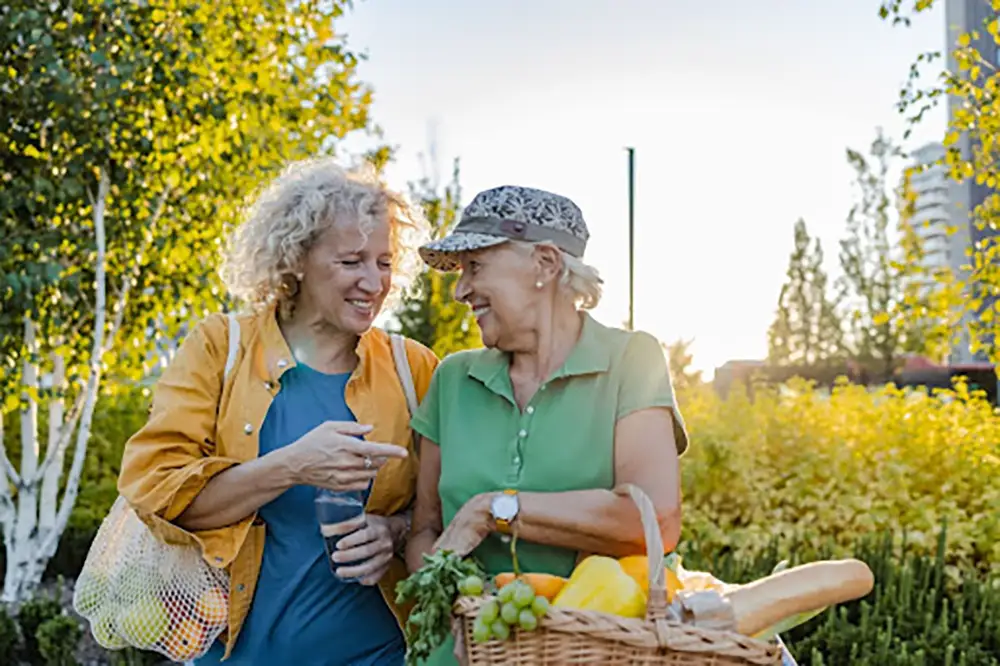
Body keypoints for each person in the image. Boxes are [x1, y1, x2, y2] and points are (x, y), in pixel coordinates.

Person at [117, 159, 439, 666]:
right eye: (351, 261)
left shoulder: (413, 366)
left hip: (380, 652)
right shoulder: (220, 346)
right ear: (297, 258)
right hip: (233, 654)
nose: (374, 282)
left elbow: (443, 508)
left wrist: (394, 531)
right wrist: (293, 466)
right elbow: (159, 495)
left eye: (384, 262)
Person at [405, 185, 689, 665]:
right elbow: (424, 530)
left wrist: (493, 510)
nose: (460, 290)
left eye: (476, 266)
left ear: (545, 264)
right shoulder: (453, 378)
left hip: (583, 652)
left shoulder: (631, 361)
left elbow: (655, 520)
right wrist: (448, 599)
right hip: (459, 652)